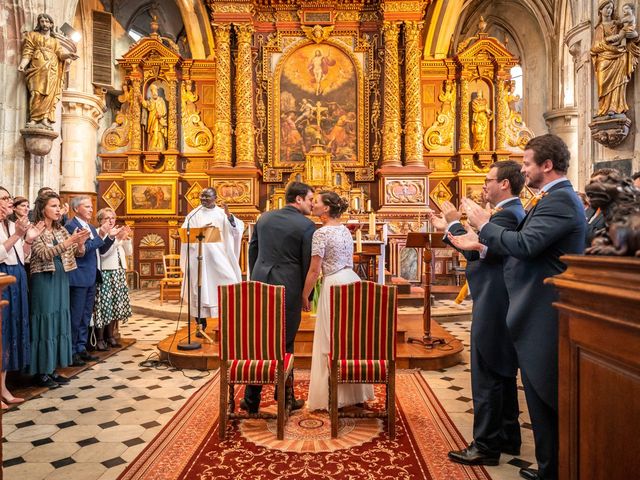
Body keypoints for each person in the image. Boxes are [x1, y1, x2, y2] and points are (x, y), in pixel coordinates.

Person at [448, 134, 587, 480]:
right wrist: (477, 238)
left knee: (545, 392)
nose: (524, 170)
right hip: (530, 306)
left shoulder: (560, 201)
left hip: (542, 308)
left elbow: (523, 245)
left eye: (527, 163)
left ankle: (553, 469)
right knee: (538, 392)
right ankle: (547, 467)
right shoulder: (548, 200)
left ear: (547, 165)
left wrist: (482, 226)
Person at [430, 161, 526, 466]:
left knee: (488, 372)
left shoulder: (508, 216)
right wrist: (450, 227)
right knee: (502, 370)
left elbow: (481, 249)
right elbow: (477, 249)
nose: (484, 185)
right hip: (497, 300)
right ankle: (509, 435)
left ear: (505, 184)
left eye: (488, 180)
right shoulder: (508, 214)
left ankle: (485, 445)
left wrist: (453, 223)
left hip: (495, 303)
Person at [242, 182, 315, 414]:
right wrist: (307, 295)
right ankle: (285, 398)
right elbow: (307, 264)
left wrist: (256, 279)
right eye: (311, 199)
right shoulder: (306, 225)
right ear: (299, 199)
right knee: (286, 341)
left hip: (260, 281)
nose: (313, 204)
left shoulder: (263, 218)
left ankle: (251, 399)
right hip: (289, 286)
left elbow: (253, 251)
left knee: (258, 339)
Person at [303, 191, 374, 411]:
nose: (313, 204)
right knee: (351, 340)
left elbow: (315, 270)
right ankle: (355, 393)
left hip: (333, 284)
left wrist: (305, 294)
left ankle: (330, 396)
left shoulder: (321, 233)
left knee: (330, 340)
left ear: (326, 209)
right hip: (352, 280)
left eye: (317, 202)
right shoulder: (344, 230)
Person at [29, 191, 90, 388]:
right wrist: (69, 242)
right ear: (43, 209)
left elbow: (76, 254)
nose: (58, 210)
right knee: (45, 323)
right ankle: (41, 371)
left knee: (58, 321)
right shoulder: (35, 228)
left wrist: (79, 243)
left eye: (58, 206)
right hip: (44, 279)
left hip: (61, 277)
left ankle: (53, 368)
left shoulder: (60, 229)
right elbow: (44, 254)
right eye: (53, 206)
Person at [0, 188, 44, 407]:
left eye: (9, 198)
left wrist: (28, 240)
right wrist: (18, 235)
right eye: (4, 199)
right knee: (1, 332)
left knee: (11, 330)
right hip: (2, 278)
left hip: (17, 275)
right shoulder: (12, 228)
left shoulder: (10, 225)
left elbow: (22, 256)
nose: (8, 202)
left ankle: (4, 387)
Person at [180, 188, 244, 335]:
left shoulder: (222, 214)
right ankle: (200, 325)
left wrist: (230, 218)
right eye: (201, 196)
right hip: (199, 259)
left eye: (207, 197)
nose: (203, 199)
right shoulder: (193, 214)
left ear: (215, 198)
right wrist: (199, 230)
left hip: (219, 257)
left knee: (229, 282)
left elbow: (237, 230)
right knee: (198, 290)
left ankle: (227, 323)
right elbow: (185, 234)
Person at [65, 196, 117, 367]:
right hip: (78, 277)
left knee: (86, 315)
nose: (90, 209)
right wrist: (101, 234)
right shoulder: (71, 226)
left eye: (90, 206)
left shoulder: (91, 227)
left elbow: (100, 249)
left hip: (91, 276)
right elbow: (84, 250)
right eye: (86, 206)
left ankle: (81, 348)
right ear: (76, 208)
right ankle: (71, 351)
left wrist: (108, 237)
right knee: (76, 316)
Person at [18, 13, 77, 128]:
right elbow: (28, 52)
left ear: (51, 24)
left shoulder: (55, 41)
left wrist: (68, 55)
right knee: (36, 93)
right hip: (37, 67)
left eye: (47, 21)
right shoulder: (32, 35)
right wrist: (23, 64)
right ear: (39, 23)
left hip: (52, 69)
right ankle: (34, 119)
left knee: (49, 94)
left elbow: (60, 54)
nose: (44, 24)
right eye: (42, 21)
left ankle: (44, 118)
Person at [93, 208, 133, 351]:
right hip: (106, 273)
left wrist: (126, 238)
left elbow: (129, 252)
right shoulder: (99, 233)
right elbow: (103, 254)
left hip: (118, 272)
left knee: (116, 306)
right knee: (104, 307)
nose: (111, 221)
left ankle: (111, 336)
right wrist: (117, 239)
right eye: (107, 218)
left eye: (113, 218)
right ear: (100, 221)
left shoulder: (115, 232)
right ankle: (100, 338)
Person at [590, 0, 640, 116]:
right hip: (604, 59)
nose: (609, 10)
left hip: (619, 57)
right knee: (602, 84)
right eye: (606, 8)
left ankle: (615, 107)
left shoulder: (617, 24)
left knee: (618, 83)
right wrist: (609, 44)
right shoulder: (599, 28)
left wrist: (633, 36)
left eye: (611, 8)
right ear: (600, 10)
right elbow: (595, 47)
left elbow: (631, 35)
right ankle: (603, 108)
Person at [139, 84, 168, 151]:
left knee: (159, 132)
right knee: (153, 133)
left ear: (157, 92)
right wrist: (142, 100)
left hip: (160, 120)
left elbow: (164, 110)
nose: (154, 93)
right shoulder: (150, 101)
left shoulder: (161, 100)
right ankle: (153, 147)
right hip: (152, 119)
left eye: (155, 91)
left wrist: (160, 115)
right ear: (151, 93)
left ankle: (160, 147)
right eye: (152, 92)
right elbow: (146, 105)